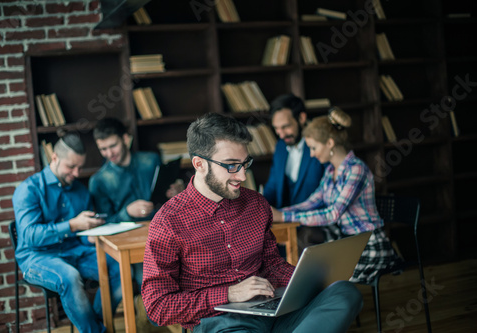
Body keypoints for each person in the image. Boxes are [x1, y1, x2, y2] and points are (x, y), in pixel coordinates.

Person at [141, 113, 363, 332]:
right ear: (199, 164)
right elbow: (158, 307)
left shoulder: (256, 204)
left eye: (245, 163)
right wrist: (229, 293)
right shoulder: (168, 222)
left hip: (273, 311)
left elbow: (271, 265)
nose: (242, 176)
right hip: (221, 324)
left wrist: (307, 282)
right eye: (231, 166)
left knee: (344, 292)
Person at [271, 107, 403, 284]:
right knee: (308, 241)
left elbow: (333, 214)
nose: (311, 154)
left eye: (313, 147)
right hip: (345, 240)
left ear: (330, 143)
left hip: (366, 244)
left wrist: (284, 216)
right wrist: (279, 213)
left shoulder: (356, 169)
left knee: (322, 276)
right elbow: (313, 202)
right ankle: (308, 296)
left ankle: (317, 299)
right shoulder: (331, 171)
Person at [12, 132, 122, 333]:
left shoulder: (81, 191)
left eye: (80, 167)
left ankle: (96, 327)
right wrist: (72, 225)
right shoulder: (29, 189)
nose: (77, 173)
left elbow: (84, 236)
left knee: (120, 268)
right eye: (71, 167)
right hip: (37, 256)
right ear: (54, 158)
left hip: (76, 250)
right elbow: (30, 236)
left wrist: (91, 234)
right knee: (69, 277)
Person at [89, 117, 183, 331]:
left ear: (126, 139)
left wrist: (176, 190)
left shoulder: (150, 160)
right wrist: (126, 212)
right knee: (141, 282)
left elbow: (167, 197)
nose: (109, 153)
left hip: (162, 234)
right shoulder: (99, 180)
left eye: (112, 145)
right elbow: (102, 224)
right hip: (126, 246)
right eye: (103, 149)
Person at [263, 93, 325, 209]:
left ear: (301, 118)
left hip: (313, 221)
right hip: (285, 221)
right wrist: (260, 206)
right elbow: (273, 185)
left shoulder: (321, 145)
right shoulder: (280, 146)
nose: (281, 134)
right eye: (276, 128)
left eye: (286, 127)